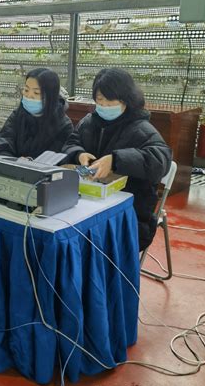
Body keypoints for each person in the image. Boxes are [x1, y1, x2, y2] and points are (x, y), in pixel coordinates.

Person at [63, 68, 172, 251]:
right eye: (99, 99)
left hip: (128, 217)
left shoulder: (142, 129)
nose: (104, 105)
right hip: (87, 205)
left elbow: (161, 160)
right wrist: (78, 153)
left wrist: (116, 160)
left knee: (78, 243)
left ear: (126, 99)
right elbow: (71, 142)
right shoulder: (89, 122)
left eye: (110, 99)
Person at [0, 67, 73, 159]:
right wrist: (12, 160)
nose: (29, 96)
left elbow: (61, 159)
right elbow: (2, 142)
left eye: (36, 93)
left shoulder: (63, 126)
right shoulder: (18, 115)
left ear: (50, 97)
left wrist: (32, 164)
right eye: (26, 90)